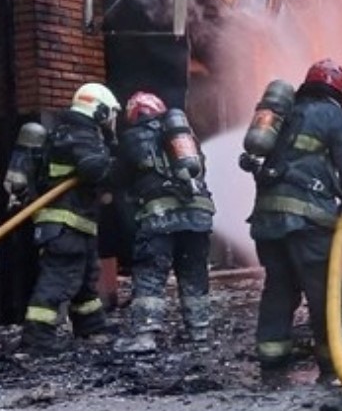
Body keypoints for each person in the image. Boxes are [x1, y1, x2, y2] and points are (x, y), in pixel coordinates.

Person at [239, 58, 342, 411]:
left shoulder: (284, 114)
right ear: (340, 92)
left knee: (279, 286)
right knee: (326, 288)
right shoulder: (335, 118)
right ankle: (332, 363)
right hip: (308, 219)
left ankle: (272, 359)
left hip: (267, 219)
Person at [113, 92, 216, 354]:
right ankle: (199, 333)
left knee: (150, 274)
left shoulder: (132, 137)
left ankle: (145, 335)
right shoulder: (186, 139)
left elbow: (118, 179)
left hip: (159, 217)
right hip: (198, 216)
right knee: (194, 272)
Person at [21, 83, 120, 354]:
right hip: (64, 221)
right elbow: (92, 169)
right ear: (98, 111)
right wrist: (115, 151)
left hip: (76, 220)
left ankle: (90, 327)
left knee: (86, 278)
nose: (112, 120)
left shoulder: (71, 131)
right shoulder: (81, 133)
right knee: (59, 278)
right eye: (110, 114)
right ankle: (38, 338)